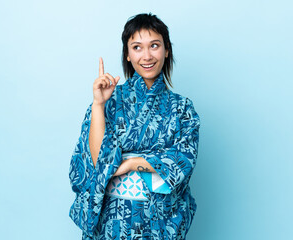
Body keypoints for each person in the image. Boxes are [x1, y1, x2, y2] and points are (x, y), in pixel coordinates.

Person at [69, 13, 200, 240]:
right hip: (111, 220)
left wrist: (132, 163)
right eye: (137, 47)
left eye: (154, 46)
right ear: (128, 55)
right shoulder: (109, 101)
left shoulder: (182, 108)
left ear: (166, 50)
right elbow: (94, 160)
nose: (147, 56)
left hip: (157, 219)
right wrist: (99, 104)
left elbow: (184, 159)